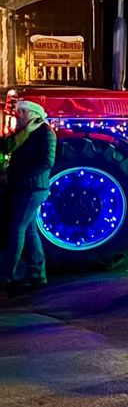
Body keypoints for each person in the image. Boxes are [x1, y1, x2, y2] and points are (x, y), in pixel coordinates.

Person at [0, 99, 56, 299]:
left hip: (33, 189)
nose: (18, 116)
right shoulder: (24, 133)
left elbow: (47, 161)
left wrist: (22, 175)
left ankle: (5, 276)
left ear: (32, 114)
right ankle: (37, 275)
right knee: (29, 231)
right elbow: (5, 147)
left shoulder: (46, 133)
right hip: (26, 188)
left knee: (16, 229)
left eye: (22, 112)